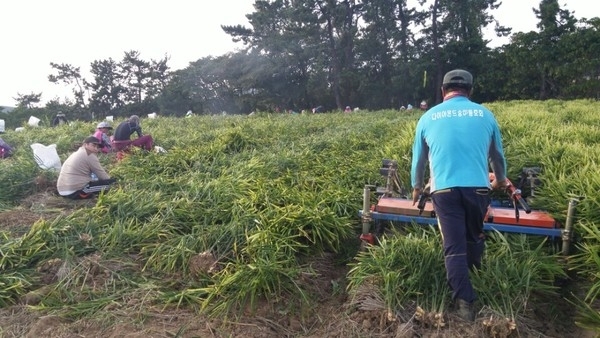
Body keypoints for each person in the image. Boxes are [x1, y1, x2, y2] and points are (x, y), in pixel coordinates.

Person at [410, 69, 508, 321]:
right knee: (474, 235)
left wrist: (417, 187)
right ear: (470, 91)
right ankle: (475, 270)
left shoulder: (428, 116)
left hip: (443, 190)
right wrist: (499, 180)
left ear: (443, 91)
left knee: (453, 246)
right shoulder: (485, 114)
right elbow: (497, 156)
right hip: (477, 188)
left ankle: (465, 303)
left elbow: (418, 160)